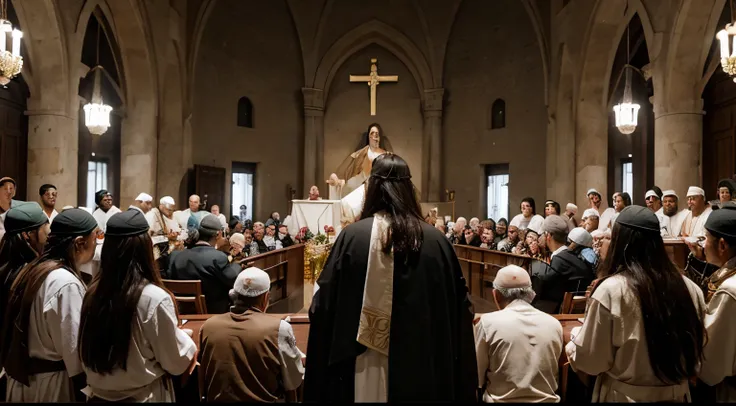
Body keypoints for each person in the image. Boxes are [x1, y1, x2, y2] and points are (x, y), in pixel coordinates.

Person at [304, 153, 476, 402]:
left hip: (361, 365)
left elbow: (323, 307)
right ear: (408, 189)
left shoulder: (352, 237)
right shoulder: (437, 241)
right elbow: (459, 307)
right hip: (424, 358)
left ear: (372, 188)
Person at [565, 205, 706, 402]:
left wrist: (573, 346)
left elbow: (592, 362)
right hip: (677, 395)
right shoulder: (690, 288)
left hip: (625, 397)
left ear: (619, 242)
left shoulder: (611, 290)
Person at [78, 210, 197, 402]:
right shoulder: (153, 297)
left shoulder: (92, 292)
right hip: (141, 397)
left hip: (98, 396)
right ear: (145, 248)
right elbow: (176, 362)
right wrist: (186, 341)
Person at [0, 209, 99, 402]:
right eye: (95, 237)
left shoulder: (34, 268)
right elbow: (74, 350)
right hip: (51, 386)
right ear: (80, 242)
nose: (97, 245)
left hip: (22, 381)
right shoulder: (65, 282)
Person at [199, 267, 304, 402]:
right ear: (266, 298)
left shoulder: (208, 325)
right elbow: (294, 380)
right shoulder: (279, 328)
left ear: (233, 295)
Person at [475, 265, 563, 402]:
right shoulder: (554, 324)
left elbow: (477, 377)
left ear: (495, 295)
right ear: (531, 294)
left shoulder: (487, 323)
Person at [696, 203, 736, 401]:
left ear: (722, 245)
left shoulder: (730, 290)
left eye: (705, 239)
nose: (702, 245)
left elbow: (711, 365)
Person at [166, 215, 241, 313]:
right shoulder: (218, 257)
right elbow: (233, 279)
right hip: (213, 314)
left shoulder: (175, 256)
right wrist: (236, 263)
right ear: (218, 234)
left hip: (182, 312)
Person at [531, 216, 594, 313]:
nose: (540, 237)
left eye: (543, 234)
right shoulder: (570, 256)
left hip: (566, 315)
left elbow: (543, 290)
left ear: (548, 235)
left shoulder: (560, 259)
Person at [0, 203, 50, 322]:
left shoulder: (9, 265)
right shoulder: (29, 274)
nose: (49, 236)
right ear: (28, 234)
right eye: (46, 229)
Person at [327, 123, 391, 199]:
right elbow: (352, 175)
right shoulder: (360, 154)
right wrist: (339, 182)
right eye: (372, 133)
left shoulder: (386, 155)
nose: (374, 137)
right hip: (362, 186)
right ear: (368, 136)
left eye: (376, 134)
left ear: (379, 137)